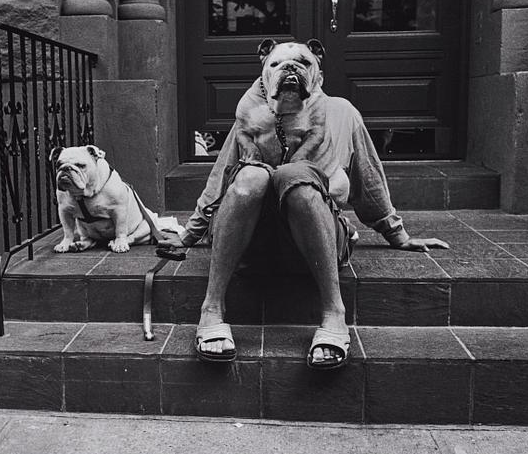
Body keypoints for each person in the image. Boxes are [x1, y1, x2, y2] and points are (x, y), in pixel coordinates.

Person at [167, 38, 449, 369]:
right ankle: (211, 307)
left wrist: (396, 233)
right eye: (277, 65)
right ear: (263, 74)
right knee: (251, 178)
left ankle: (334, 312)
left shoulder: (341, 112)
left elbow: (368, 178)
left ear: (319, 73)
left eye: (302, 63)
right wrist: (188, 235)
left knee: (297, 177)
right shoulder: (252, 114)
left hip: (316, 237)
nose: (290, 70)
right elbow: (220, 177)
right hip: (254, 243)